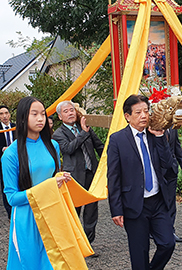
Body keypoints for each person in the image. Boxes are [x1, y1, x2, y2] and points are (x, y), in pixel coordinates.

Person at [2, 96, 71, 269]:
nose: (41, 119)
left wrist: (61, 178)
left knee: (57, 262)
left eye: (43, 114)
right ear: (23, 117)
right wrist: (48, 187)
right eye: (35, 114)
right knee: (30, 263)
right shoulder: (10, 155)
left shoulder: (52, 145)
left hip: (53, 212)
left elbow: (52, 175)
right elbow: (12, 198)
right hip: (27, 218)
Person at [107, 94, 175, 270]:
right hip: (134, 204)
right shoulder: (117, 140)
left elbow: (169, 165)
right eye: (138, 112)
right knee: (139, 253)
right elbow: (113, 176)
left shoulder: (156, 134)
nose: (144, 116)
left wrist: (160, 138)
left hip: (158, 201)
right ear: (127, 116)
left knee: (168, 243)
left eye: (146, 111)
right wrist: (116, 209)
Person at [52, 100, 104, 244]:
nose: (70, 113)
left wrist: (107, 162)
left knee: (92, 211)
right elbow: (69, 149)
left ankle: (88, 243)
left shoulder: (84, 127)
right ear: (60, 116)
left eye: (72, 110)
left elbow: (99, 146)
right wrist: (83, 133)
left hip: (91, 174)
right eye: (66, 111)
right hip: (74, 178)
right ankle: (75, 243)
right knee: (74, 211)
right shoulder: (58, 134)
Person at [164, 127, 182, 242]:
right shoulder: (153, 124)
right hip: (158, 171)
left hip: (172, 170)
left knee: (171, 202)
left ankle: (170, 232)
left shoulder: (173, 128)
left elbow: (176, 146)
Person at [0, 105, 16, 219]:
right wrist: (3, 149)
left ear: (9, 114)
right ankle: (10, 213)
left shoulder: (16, 127)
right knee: (6, 186)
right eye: (1, 114)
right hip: (3, 162)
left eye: (6, 113)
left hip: (17, 161)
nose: (4, 116)